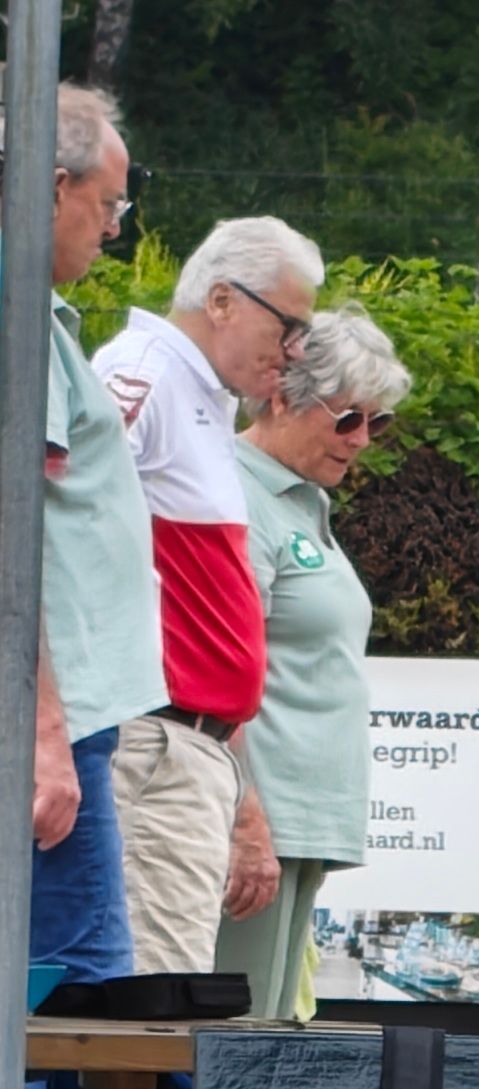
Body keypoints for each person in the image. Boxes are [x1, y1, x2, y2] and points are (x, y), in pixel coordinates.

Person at [94, 215, 324, 976]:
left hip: (182, 741)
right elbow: (57, 514)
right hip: (154, 743)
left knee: (161, 991)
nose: (294, 350)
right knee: (151, 996)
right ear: (222, 300)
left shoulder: (193, 391)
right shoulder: (147, 372)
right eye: (288, 326)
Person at [1, 82, 165, 984]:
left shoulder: (35, 315)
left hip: (59, 711)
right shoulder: (17, 315)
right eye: (108, 205)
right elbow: (11, 528)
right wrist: (45, 729)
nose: (113, 230)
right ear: (53, 186)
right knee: (82, 995)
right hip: (53, 717)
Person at [218, 307, 410, 1017]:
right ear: (280, 396)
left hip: (296, 825)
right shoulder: (238, 494)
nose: (361, 439)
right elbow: (217, 673)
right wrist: (246, 817)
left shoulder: (301, 501)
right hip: (260, 817)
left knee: (266, 1038)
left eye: (378, 422)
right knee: (233, 1039)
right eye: (348, 417)